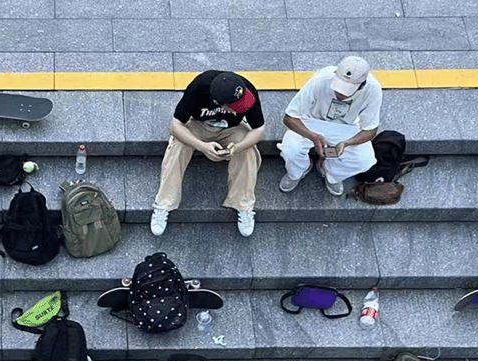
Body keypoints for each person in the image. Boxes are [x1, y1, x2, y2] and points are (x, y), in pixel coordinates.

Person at [151, 70, 267, 238]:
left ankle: (243, 204)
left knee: (249, 151)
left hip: (233, 129)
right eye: (234, 106)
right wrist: (202, 146)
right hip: (199, 125)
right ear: (217, 102)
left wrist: (238, 147)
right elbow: (175, 126)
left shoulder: (246, 91)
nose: (240, 107)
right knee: (178, 146)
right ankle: (164, 204)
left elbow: (259, 129)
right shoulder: (198, 88)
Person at [278, 55, 382, 197]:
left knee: (365, 160)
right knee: (291, 149)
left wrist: (347, 143)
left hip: (347, 127)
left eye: (347, 90)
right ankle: (298, 171)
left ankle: (331, 172)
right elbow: (289, 118)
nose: (340, 94)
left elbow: (370, 130)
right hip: (312, 121)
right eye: (338, 87)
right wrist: (312, 136)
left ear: (362, 85)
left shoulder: (373, 89)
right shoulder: (320, 80)